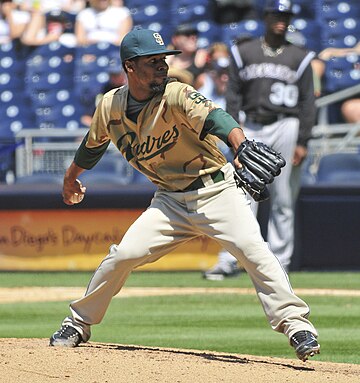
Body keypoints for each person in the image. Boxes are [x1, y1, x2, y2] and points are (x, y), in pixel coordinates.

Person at [49, 28, 320, 362]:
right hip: (169, 202)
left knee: (255, 252)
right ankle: (78, 323)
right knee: (122, 256)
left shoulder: (176, 93)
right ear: (130, 67)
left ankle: (296, 325)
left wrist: (241, 144)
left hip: (216, 190)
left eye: (164, 59)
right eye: (153, 61)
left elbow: (218, 118)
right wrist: (70, 179)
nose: (163, 66)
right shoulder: (110, 105)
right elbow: (91, 147)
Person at [203, 0, 317, 280]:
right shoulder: (245, 51)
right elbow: (232, 95)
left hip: (286, 125)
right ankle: (231, 258)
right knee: (241, 195)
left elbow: (307, 102)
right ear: (265, 16)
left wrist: (303, 139)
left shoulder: (299, 56)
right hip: (250, 126)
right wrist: (232, 132)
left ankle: (279, 261)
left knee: (283, 198)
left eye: (286, 15)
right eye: (276, 14)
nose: (281, 19)